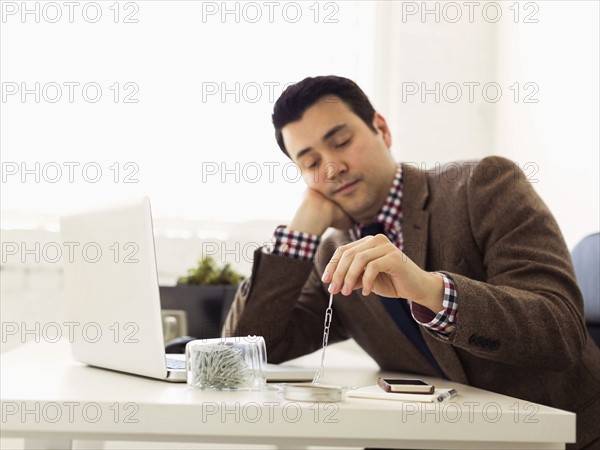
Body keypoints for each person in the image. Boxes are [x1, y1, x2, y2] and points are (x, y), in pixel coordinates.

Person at [222, 75, 600, 449]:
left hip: (563, 436)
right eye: (311, 162)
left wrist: (428, 289)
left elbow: (560, 333)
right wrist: (300, 232)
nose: (332, 167)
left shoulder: (482, 185)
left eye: (341, 142)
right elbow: (245, 351)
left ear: (381, 130)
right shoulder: (331, 255)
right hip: (439, 438)